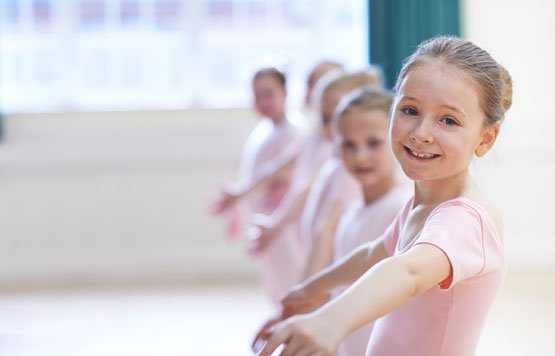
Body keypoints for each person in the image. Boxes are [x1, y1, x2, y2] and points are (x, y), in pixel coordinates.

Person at [257, 35, 513, 356]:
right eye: (410, 110)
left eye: (448, 120)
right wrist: (311, 290)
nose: (421, 133)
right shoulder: (421, 206)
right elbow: (372, 256)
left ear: (485, 139)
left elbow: (408, 272)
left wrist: (331, 321)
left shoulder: (464, 219)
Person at [253, 86, 410, 355]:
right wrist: (295, 315)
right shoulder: (350, 214)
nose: (360, 156)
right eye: (349, 145)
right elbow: (335, 291)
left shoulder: (402, 208)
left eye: (373, 143)